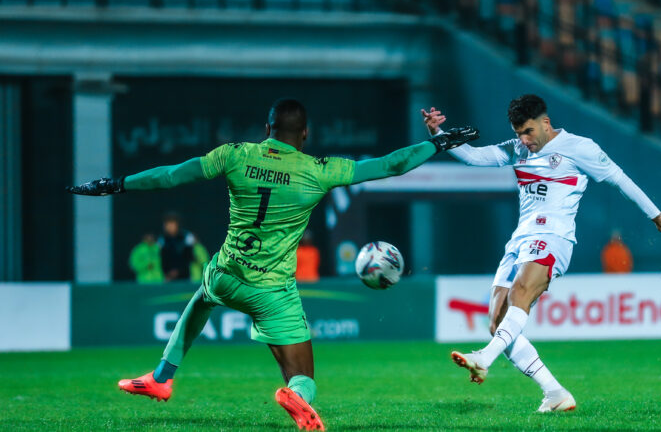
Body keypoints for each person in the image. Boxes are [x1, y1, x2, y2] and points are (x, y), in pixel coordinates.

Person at [68, 97, 479, 431]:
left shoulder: (234, 155)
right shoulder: (320, 170)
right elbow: (391, 165)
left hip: (227, 272)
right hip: (272, 291)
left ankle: (161, 376)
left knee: (204, 293)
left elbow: (172, 175)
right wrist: (439, 143)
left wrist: (116, 185)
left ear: (267, 130)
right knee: (303, 377)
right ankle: (295, 396)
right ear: (305, 135)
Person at [422, 94, 661, 413]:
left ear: (545, 123)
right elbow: (475, 157)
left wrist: (655, 214)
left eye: (528, 131)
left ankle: (484, 358)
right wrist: (439, 134)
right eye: (518, 132)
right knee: (497, 321)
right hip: (520, 239)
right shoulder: (519, 147)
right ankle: (554, 393)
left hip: (554, 235)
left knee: (520, 292)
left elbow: (619, 179)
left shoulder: (580, 148)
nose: (523, 139)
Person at [158, 213, 196, 282]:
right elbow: (163, 259)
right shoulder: (162, 240)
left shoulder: (187, 237)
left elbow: (189, 257)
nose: (170, 226)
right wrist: (168, 274)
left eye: (172, 224)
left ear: (177, 224)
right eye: (168, 224)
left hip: (185, 278)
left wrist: (178, 271)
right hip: (167, 279)